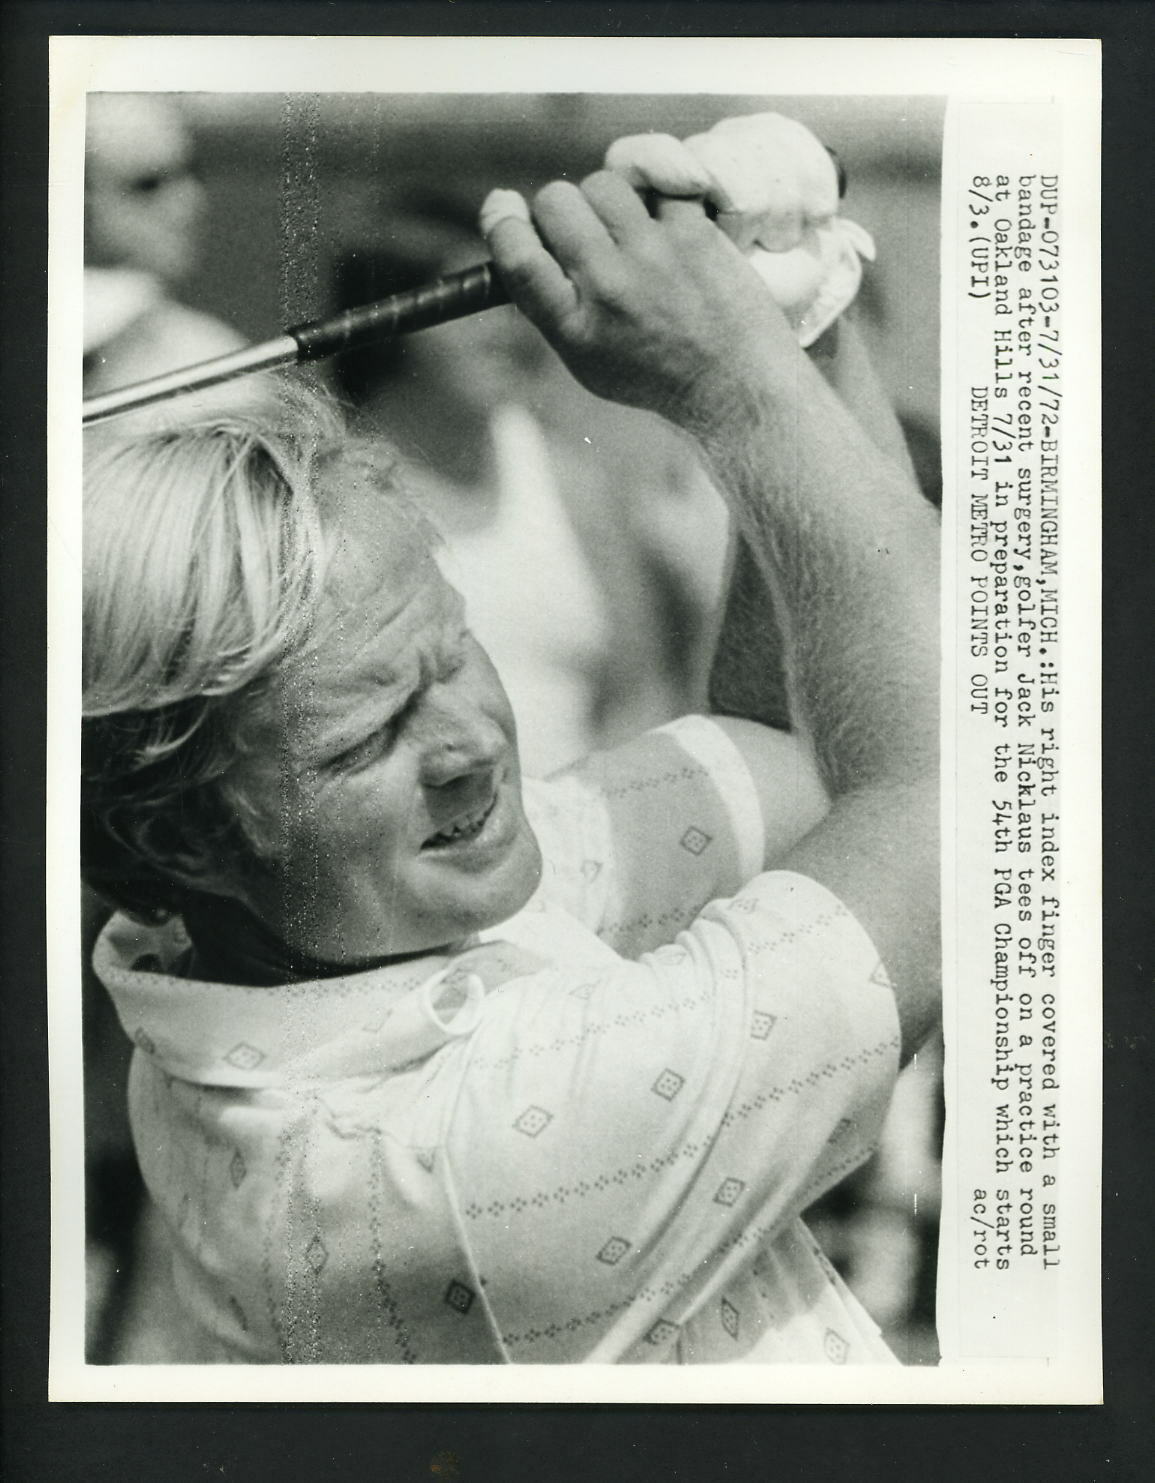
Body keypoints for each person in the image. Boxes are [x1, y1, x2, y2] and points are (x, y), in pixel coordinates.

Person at [82, 125, 939, 1364]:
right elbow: (951, 799)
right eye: (369, 732)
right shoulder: (460, 1153)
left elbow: (780, 747)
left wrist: (794, 316)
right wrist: (738, 380)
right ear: (174, 834)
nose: (473, 747)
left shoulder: (337, 928)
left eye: (450, 652)